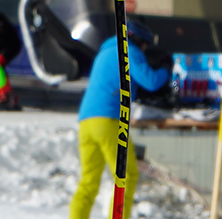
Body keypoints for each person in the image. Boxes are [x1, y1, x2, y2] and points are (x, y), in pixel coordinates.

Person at [69, 19, 170, 219]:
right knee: (126, 175)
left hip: (86, 120)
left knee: (89, 181)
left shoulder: (105, 51)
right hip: (108, 120)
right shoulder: (128, 51)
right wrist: (167, 68)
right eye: (145, 45)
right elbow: (150, 81)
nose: (145, 50)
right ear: (137, 40)